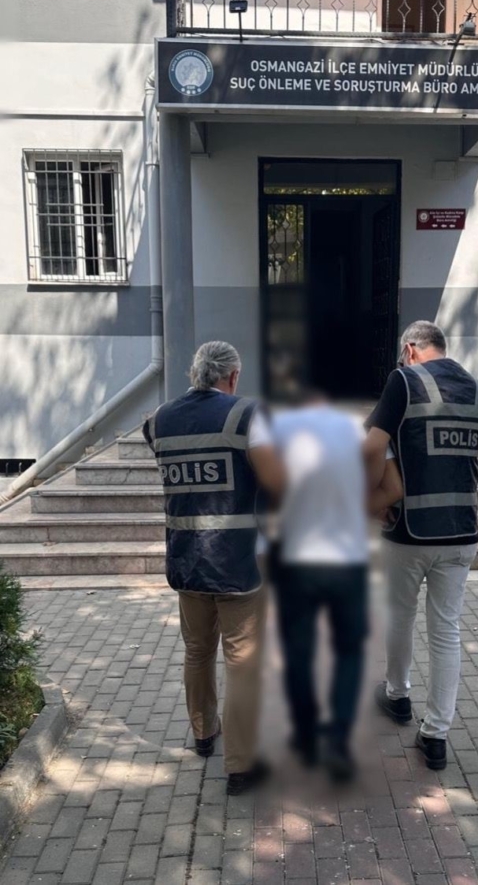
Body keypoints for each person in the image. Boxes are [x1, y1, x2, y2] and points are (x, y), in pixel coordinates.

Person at [143, 341, 285, 796]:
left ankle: (204, 733)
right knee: (242, 660)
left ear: (195, 373)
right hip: (239, 562)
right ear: (233, 376)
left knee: (197, 650)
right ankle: (241, 765)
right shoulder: (248, 415)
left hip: (186, 559)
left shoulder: (159, 420)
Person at [364, 321, 478, 771]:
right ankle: (436, 735)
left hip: (410, 530)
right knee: (446, 631)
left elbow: (372, 446)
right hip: (462, 530)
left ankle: (398, 696)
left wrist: (370, 501)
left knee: (400, 615)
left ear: (410, 349)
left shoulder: (404, 380)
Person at [271, 395, 403, 782]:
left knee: (299, 649)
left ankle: (305, 735)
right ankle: (339, 741)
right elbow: (394, 489)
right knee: (348, 650)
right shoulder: (362, 439)